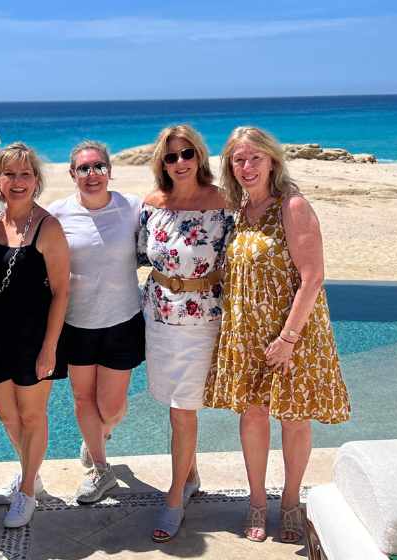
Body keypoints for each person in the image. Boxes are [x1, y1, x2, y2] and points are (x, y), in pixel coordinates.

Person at [204, 126, 351, 544]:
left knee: (294, 417)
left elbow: (313, 277)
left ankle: (289, 502)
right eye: (238, 160)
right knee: (252, 415)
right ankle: (256, 501)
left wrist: (287, 338)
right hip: (247, 332)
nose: (247, 166)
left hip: (293, 332)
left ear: (272, 161)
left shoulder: (293, 205)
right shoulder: (237, 211)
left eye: (255, 158)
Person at [137, 124, 233, 543]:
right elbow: (137, 254)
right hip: (158, 316)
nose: (180, 162)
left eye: (187, 153)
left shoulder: (223, 202)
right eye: (171, 156)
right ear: (162, 162)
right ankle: (190, 475)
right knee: (171, 402)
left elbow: (237, 260)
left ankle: (175, 497)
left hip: (203, 318)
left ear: (199, 156)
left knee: (183, 408)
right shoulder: (152, 204)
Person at [46, 140, 145, 505]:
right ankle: (101, 469)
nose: (92, 174)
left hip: (123, 321)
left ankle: (98, 435)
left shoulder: (132, 207)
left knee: (112, 408)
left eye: (98, 166)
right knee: (82, 397)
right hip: (76, 323)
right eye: (84, 168)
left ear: (109, 171)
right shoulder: (57, 214)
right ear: (72, 174)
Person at [0, 142, 70, 528]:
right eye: (9, 174)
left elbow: (62, 291)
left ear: (36, 180)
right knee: (5, 412)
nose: (18, 181)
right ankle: (30, 472)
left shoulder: (48, 227)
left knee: (32, 415)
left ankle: (28, 491)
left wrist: (50, 346)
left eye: (25, 174)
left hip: (35, 335)